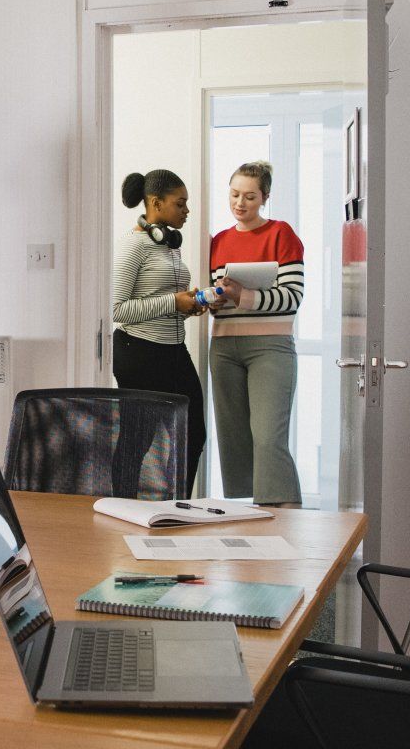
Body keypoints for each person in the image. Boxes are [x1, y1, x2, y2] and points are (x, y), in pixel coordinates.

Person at [207, 161, 306, 506]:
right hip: (223, 347)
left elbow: (292, 298)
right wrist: (215, 299)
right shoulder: (217, 241)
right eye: (234, 194)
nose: (240, 203)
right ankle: (250, 521)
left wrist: (242, 297)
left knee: (268, 438)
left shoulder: (281, 234)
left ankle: (286, 515)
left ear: (264, 197)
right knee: (234, 439)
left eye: (249, 196)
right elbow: (213, 296)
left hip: (270, 347)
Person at [111, 169, 207, 491]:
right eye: (180, 204)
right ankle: (121, 506)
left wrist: (189, 305)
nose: (186, 211)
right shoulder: (133, 246)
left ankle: (174, 508)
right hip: (138, 352)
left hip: (173, 350)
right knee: (138, 439)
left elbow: (164, 301)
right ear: (155, 203)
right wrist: (172, 303)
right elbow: (116, 309)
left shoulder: (169, 245)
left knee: (194, 435)